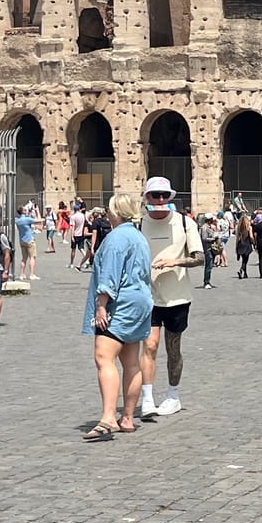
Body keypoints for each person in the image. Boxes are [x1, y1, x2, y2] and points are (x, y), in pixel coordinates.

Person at [82, 193, 152, 442]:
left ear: (116, 212)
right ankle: (128, 418)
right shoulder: (138, 236)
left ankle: (109, 417)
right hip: (141, 301)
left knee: (104, 357)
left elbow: (110, 277)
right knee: (131, 361)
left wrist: (101, 307)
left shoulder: (115, 238)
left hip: (120, 303)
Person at [136, 177, 202, 419]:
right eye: (155, 195)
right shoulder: (138, 226)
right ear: (147, 198)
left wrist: (174, 261)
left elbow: (199, 257)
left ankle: (173, 396)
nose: (160, 199)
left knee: (173, 349)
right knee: (149, 345)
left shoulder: (185, 223)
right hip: (147, 296)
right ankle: (147, 398)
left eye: (165, 195)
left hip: (178, 297)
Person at [14, 203, 39, 282]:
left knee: (24, 258)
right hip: (29, 240)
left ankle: (21, 274)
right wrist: (37, 212)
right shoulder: (27, 219)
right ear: (23, 211)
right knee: (32, 257)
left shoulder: (18, 220)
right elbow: (39, 221)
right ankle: (31, 274)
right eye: (25, 210)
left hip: (22, 240)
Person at [235, 212, 255, 279]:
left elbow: (237, 238)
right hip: (247, 244)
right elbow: (251, 236)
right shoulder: (249, 227)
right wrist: (254, 242)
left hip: (240, 244)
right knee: (245, 260)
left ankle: (245, 273)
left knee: (244, 259)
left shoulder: (238, 228)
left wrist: (236, 247)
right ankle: (241, 270)